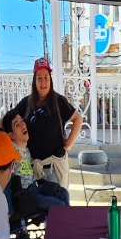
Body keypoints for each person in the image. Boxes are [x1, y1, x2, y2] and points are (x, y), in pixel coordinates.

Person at [12, 58, 83, 190]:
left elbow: (78, 119)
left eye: (46, 77)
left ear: (50, 79)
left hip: (53, 168)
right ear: (34, 81)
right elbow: (10, 117)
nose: (43, 82)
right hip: (33, 168)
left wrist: (68, 144)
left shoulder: (58, 101)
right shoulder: (26, 103)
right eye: (39, 78)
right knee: (38, 207)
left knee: (57, 207)